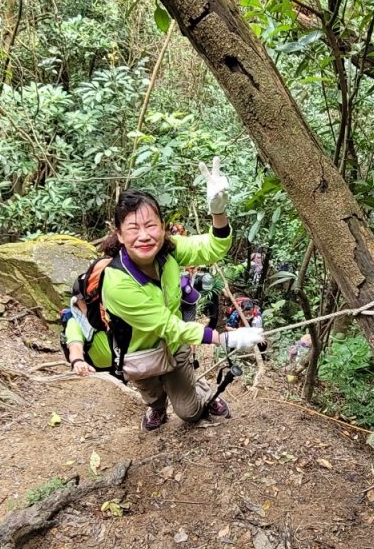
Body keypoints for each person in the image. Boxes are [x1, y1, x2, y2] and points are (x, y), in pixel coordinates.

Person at [101, 158, 264, 431]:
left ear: (162, 227)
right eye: (133, 228)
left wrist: (219, 212)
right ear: (119, 234)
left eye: (151, 225)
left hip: (176, 347)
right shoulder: (116, 282)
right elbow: (167, 324)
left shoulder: (169, 250)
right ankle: (156, 408)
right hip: (137, 354)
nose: (144, 236)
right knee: (152, 395)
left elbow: (212, 248)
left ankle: (199, 390)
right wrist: (224, 338)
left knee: (189, 413)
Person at [64, 278, 112, 376]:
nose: (91, 305)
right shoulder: (75, 322)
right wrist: (78, 361)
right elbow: (75, 344)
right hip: (99, 370)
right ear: (76, 303)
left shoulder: (111, 312)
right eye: (85, 301)